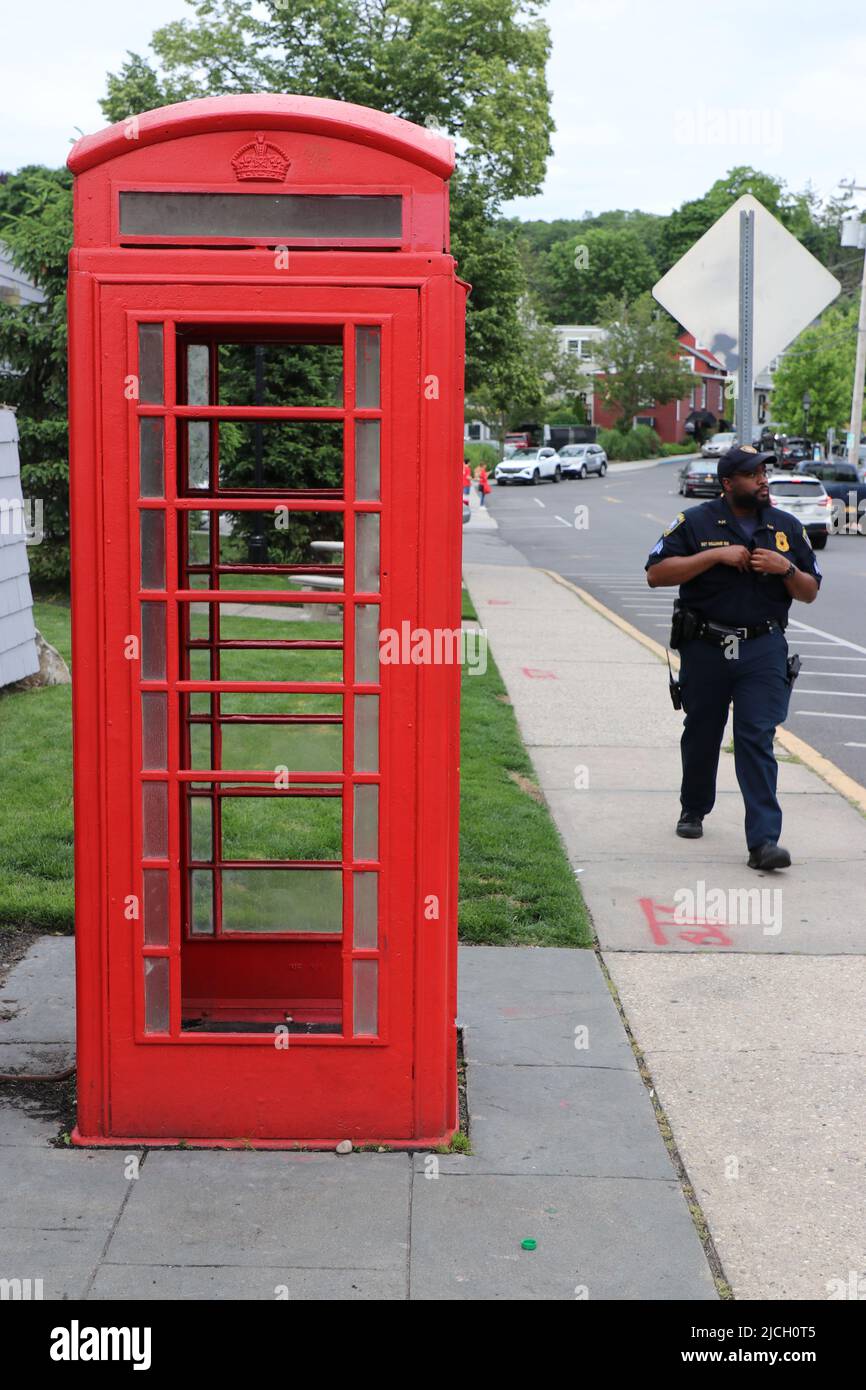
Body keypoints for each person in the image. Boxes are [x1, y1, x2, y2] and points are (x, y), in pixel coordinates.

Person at [645, 444, 821, 870]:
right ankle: (694, 806)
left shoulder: (785, 527)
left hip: (762, 646)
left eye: (764, 472)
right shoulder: (695, 522)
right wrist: (713, 556)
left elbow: (810, 591)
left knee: (756, 736)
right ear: (728, 483)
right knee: (703, 730)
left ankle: (763, 843)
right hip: (707, 645)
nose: (763, 479)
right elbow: (655, 574)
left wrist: (785, 568)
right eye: (752, 474)